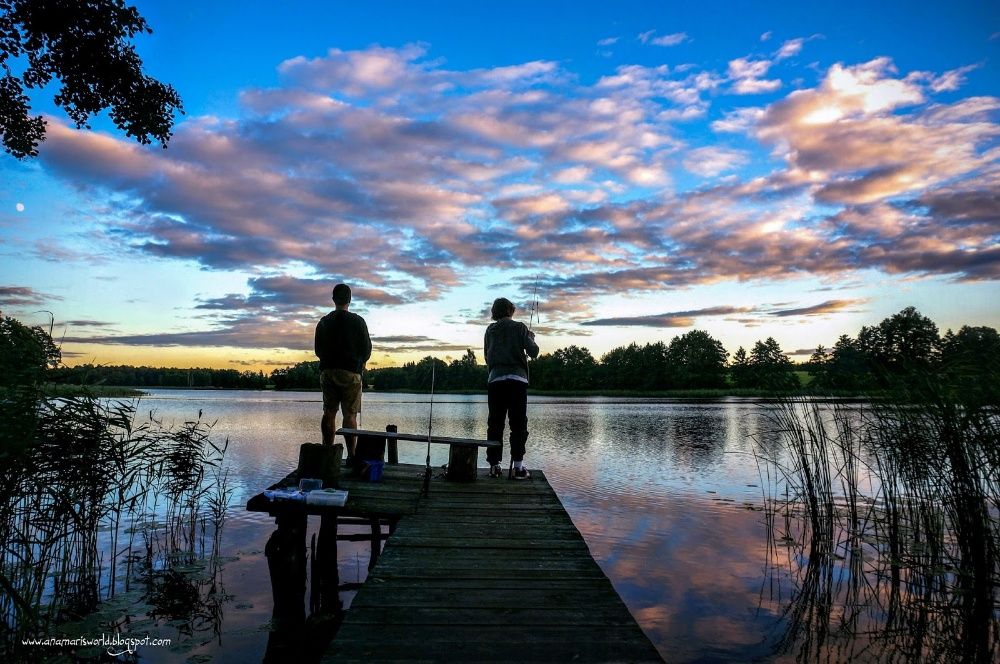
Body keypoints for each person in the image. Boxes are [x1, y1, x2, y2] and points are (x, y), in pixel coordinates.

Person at [484, 297, 539, 479]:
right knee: (518, 424)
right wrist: (530, 338)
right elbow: (534, 352)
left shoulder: (490, 330)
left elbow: (487, 357)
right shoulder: (520, 327)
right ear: (510, 311)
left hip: (495, 381)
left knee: (495, 424)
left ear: (495, 312)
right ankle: (518, 468)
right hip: (517, 381)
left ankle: (494, 466)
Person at [315, 283, 372, 460]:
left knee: (329, 412)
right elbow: (367, 350)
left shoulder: (324, 322)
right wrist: (361, 362)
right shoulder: (358, 321)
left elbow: (318, 350)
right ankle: (352, 455)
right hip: (351, 374)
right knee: (350, 415)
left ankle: (327, 451)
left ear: (334, 299)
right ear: (349, 300)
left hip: (328, 372)